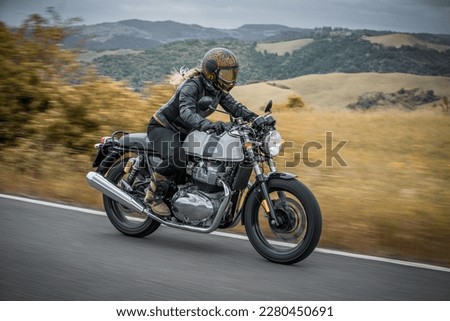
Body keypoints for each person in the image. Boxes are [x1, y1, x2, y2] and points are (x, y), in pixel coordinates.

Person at [145, 47, 258, 216]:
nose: (230, 80)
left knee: (200, 161)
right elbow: (186, 112)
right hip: (163, 127)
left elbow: (235, 107)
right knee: (178, 158)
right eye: (226, 75)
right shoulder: (192, 86)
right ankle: (153, 196)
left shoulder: (217, 90)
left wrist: (257, 119)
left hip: (187, 131)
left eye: (233, 74)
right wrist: (208, 125)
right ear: (212, 72)